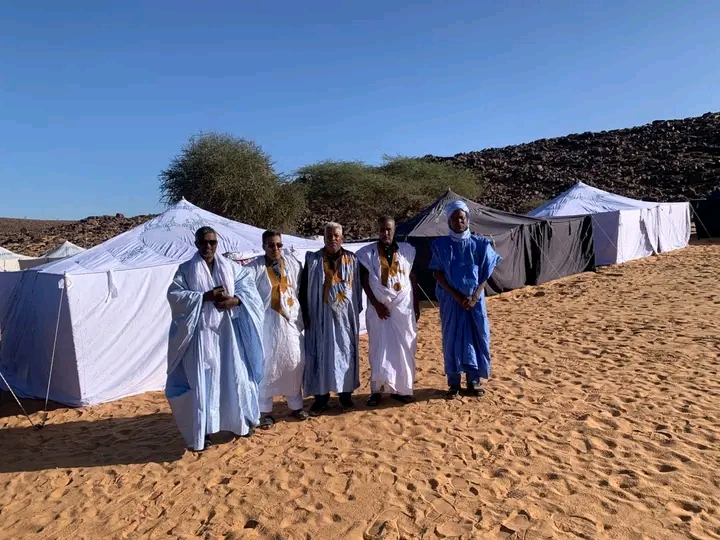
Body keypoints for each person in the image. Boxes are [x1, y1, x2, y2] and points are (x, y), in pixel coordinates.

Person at [165, 226, 265, 452]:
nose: (208, 246)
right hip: (201, 338)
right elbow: (175, 296)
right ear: (196, 243)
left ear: (217, 244)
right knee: (204, 384)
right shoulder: (185, 270)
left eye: (212, 242)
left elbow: (249, 289)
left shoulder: (231, 267)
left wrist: (235, 300)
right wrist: (204, 297)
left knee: (235, 378)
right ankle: (205, 432)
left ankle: (239, 423)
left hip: (229, 335)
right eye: (204, 242)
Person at [429, 200, 501, 398]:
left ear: (467, 219)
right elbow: (437, 273)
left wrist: (475, 296)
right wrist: (457, 296)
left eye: (462, 218)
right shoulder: (441, 246)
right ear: (449, 222)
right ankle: (454, 383)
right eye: (454, 218)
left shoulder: (481, 244)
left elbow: (486, 271)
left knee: (477, 337)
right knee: (452, 338)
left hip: (475, 303)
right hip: (451, 302)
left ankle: (473, 380)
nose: (459, 221)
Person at [299, 222, 362, 416]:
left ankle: (345, 396)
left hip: (344, 320)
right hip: (319, 317)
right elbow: (303, 289)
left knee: (345, 353)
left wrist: (354, 313)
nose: (332, 239)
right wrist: (306, 314)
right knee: (319, 354)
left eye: (336, 235)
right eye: (328, 236)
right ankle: (321, 399)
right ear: (324, 238)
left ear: (342, 238)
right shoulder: (313, 260)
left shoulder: (352, 260)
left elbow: (357, 290)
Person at [246, 230, 309, 425]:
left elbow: (300, 288)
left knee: (294, 362)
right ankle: (265, 412)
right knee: (268, 367)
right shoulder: (254, 268)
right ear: (263, 246)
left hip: (290, 323)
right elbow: (244, 289)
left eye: (278, 245)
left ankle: (296, 406)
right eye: (271, 245)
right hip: (268, 327)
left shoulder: (292, 264)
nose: (275, 248)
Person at [357, 216, 420, 407]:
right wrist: (376, 304)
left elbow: (412, 278)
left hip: (403, 309)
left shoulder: (407, 251)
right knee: (378, 348)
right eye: (382, 230)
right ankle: (377, 390)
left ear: (394, 230)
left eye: (389, 229)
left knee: (405, 346)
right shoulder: (367, 254)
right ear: (378, 231)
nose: (385, 233)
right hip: (379, 311)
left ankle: (403, 389)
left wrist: (416, 305)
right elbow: (365, 281)